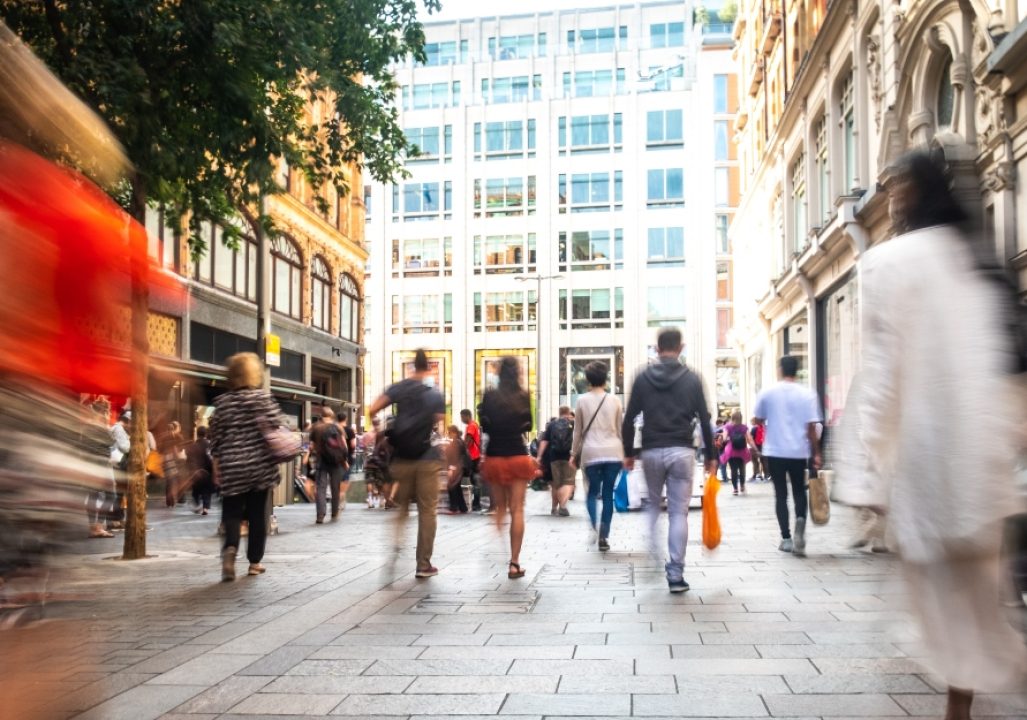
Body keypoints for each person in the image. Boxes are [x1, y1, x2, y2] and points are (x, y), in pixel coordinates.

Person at [844, 152, 1027, 719]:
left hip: (931, 467)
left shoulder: (888, 262)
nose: (892, 199)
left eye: (897, 189)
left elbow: (881, 373)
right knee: (978, 602)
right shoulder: (974, 256)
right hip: (985, 469)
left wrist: (868, 470)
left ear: (913, 194)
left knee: (947, 607)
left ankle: (969, 699)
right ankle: (961, 706)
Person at [621, 328, 715, 593]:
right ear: (681, 347)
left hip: (651, 450)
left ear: (657, 348)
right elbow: (705, 419)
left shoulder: (642, 377)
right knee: (678, 513)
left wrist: (628, 453)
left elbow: (629, 418)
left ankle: (653, 553)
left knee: (653, 506)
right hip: (682, 450)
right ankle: (675, 573)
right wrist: (711, 456)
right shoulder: (693, 379)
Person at [208, 352, 289, 581]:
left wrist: (216, 465)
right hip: (260, 467)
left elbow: (215, 439)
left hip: (231, 466)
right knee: (257, 515)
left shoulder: (222, 403)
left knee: (231, 512)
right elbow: (278, 425)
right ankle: (254, 562)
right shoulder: (263, 399)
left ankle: (230, 550)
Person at [367, 349, 446, 578]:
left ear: (412, 366)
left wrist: (378, 429)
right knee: (427, 511)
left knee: (401, 508)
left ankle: (396, 544)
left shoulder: (398, 388)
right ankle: (423, 564)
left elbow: (372, 408)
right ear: (428, 368)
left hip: (401, 459)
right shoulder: (434, 394)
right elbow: (439, 425)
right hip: (427, 459)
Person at [753, 356, 821, 557]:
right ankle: (800, 520)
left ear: (781, 370)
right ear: (797, 370)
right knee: (799, 491)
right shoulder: (808, 394)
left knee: (781, 494)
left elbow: (758, 419)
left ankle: (786, 538)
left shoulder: (768, 392)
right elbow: (811, 428)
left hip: (775, 451)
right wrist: (816, 452)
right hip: (798, 451)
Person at [479, 356, 535, 579]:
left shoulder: (489, 395)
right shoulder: (524, 395)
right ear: (517, 372)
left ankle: (497, 538)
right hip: (517, 455)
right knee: (517, 508)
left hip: (495, 456)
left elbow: (484, 425)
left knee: (500, 507)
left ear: (499, 372)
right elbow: (528, 425)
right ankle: (514, 562)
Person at [571, 361, 623, 552]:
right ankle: (604, 534)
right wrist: (626, 454)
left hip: (591, 452)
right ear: (605, 378)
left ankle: (594, 524)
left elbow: (577, 431)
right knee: (608, 494)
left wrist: (573, 454)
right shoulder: (615, 400)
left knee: (592, 492)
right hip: (613, 452)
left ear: (587, 379)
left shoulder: (582, 401)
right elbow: (620, 430)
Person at [82, 399, 115, 538]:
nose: (108, 414)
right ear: (103, 412)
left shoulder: (87, 426)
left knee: (93, 495)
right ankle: (99, 527)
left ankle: (93, 527)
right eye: (107, 411)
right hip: (101, 464)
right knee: (111, 495)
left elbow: (83, 444)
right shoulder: (100, 426)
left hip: (91, 463)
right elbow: (111, 441)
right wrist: (106, 424)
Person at [309, 407, 347, 523]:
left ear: (321, 415)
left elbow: (311, 446)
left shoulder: (316, 427)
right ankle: (334, 512)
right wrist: (344, 461)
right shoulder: (337, 427)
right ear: (332, 415)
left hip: (321, 461)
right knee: (335, 487)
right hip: (336, 461)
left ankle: (320, 515)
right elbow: (344, 446)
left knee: (321, 488)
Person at [537, 406, 575, 516]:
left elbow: (544, 441)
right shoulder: (573, 424)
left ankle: (554, 508)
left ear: (559, 412)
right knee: (568, 482)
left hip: (554, 457)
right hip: (569, 457)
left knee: (555, 484)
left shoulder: (552, 424)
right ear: (568, 412)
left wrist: (539, 456)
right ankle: (562, 506)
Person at [720, 411, 756, 496]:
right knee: (742, 469)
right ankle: (742, 485)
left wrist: (727, 438)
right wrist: (755, 448)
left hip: (731, 451)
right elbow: (749, 439)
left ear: (732, 417)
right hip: (742, 451)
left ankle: (735, 489)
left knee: (733, 470)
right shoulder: (744, 427)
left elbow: (724, 438)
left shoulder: (727, 426)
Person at [185, 426, 215, 515]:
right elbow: (211, 458)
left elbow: (189, 460)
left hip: (196, 472)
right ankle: (205, 508)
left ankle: (197, 504)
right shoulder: (209, 445)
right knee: (206, 491)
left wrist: (190, 470)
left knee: (196, 490)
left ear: (197, 434)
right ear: (206, 434)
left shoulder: (193, 446)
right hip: (207, 471)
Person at [443, 425, 470, 514]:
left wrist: (451, 468)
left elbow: (454, 457)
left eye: (449, 432)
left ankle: (454, 508)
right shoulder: (459, 441)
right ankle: (463, 508)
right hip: (460, 467)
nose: (448, 434)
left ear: (454, 433)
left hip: (456, 468)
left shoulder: (456, 443)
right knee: (456, 487)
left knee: (452, 486)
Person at [460, 409, 483, 511]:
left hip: (473, 456)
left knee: (475, 479)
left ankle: (476, 503)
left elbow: (468, 441)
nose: (461, 419)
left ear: (467, 416)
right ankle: (476, 503)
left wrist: (462, 450)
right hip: (475, 456)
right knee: (475, 479)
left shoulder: (471, 426)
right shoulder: (475, 424)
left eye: (462, 417)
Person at [336, 412, 357, 511]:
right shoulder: (349, 430)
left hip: (334, 458)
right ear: (346, 419)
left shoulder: (334, 429)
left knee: (336, 479)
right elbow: (353, 445)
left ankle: (337, 499)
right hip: (347, 458)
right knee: (345, 479)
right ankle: (341, 499)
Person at [750, 416, 767, 481]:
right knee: (764, 461)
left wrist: (752, 447)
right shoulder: (765, 427)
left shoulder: (754, 428)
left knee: (755, 462)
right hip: (764, 446)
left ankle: (755, 475)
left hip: (756, 446)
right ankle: (766, 475)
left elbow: (751, 438)